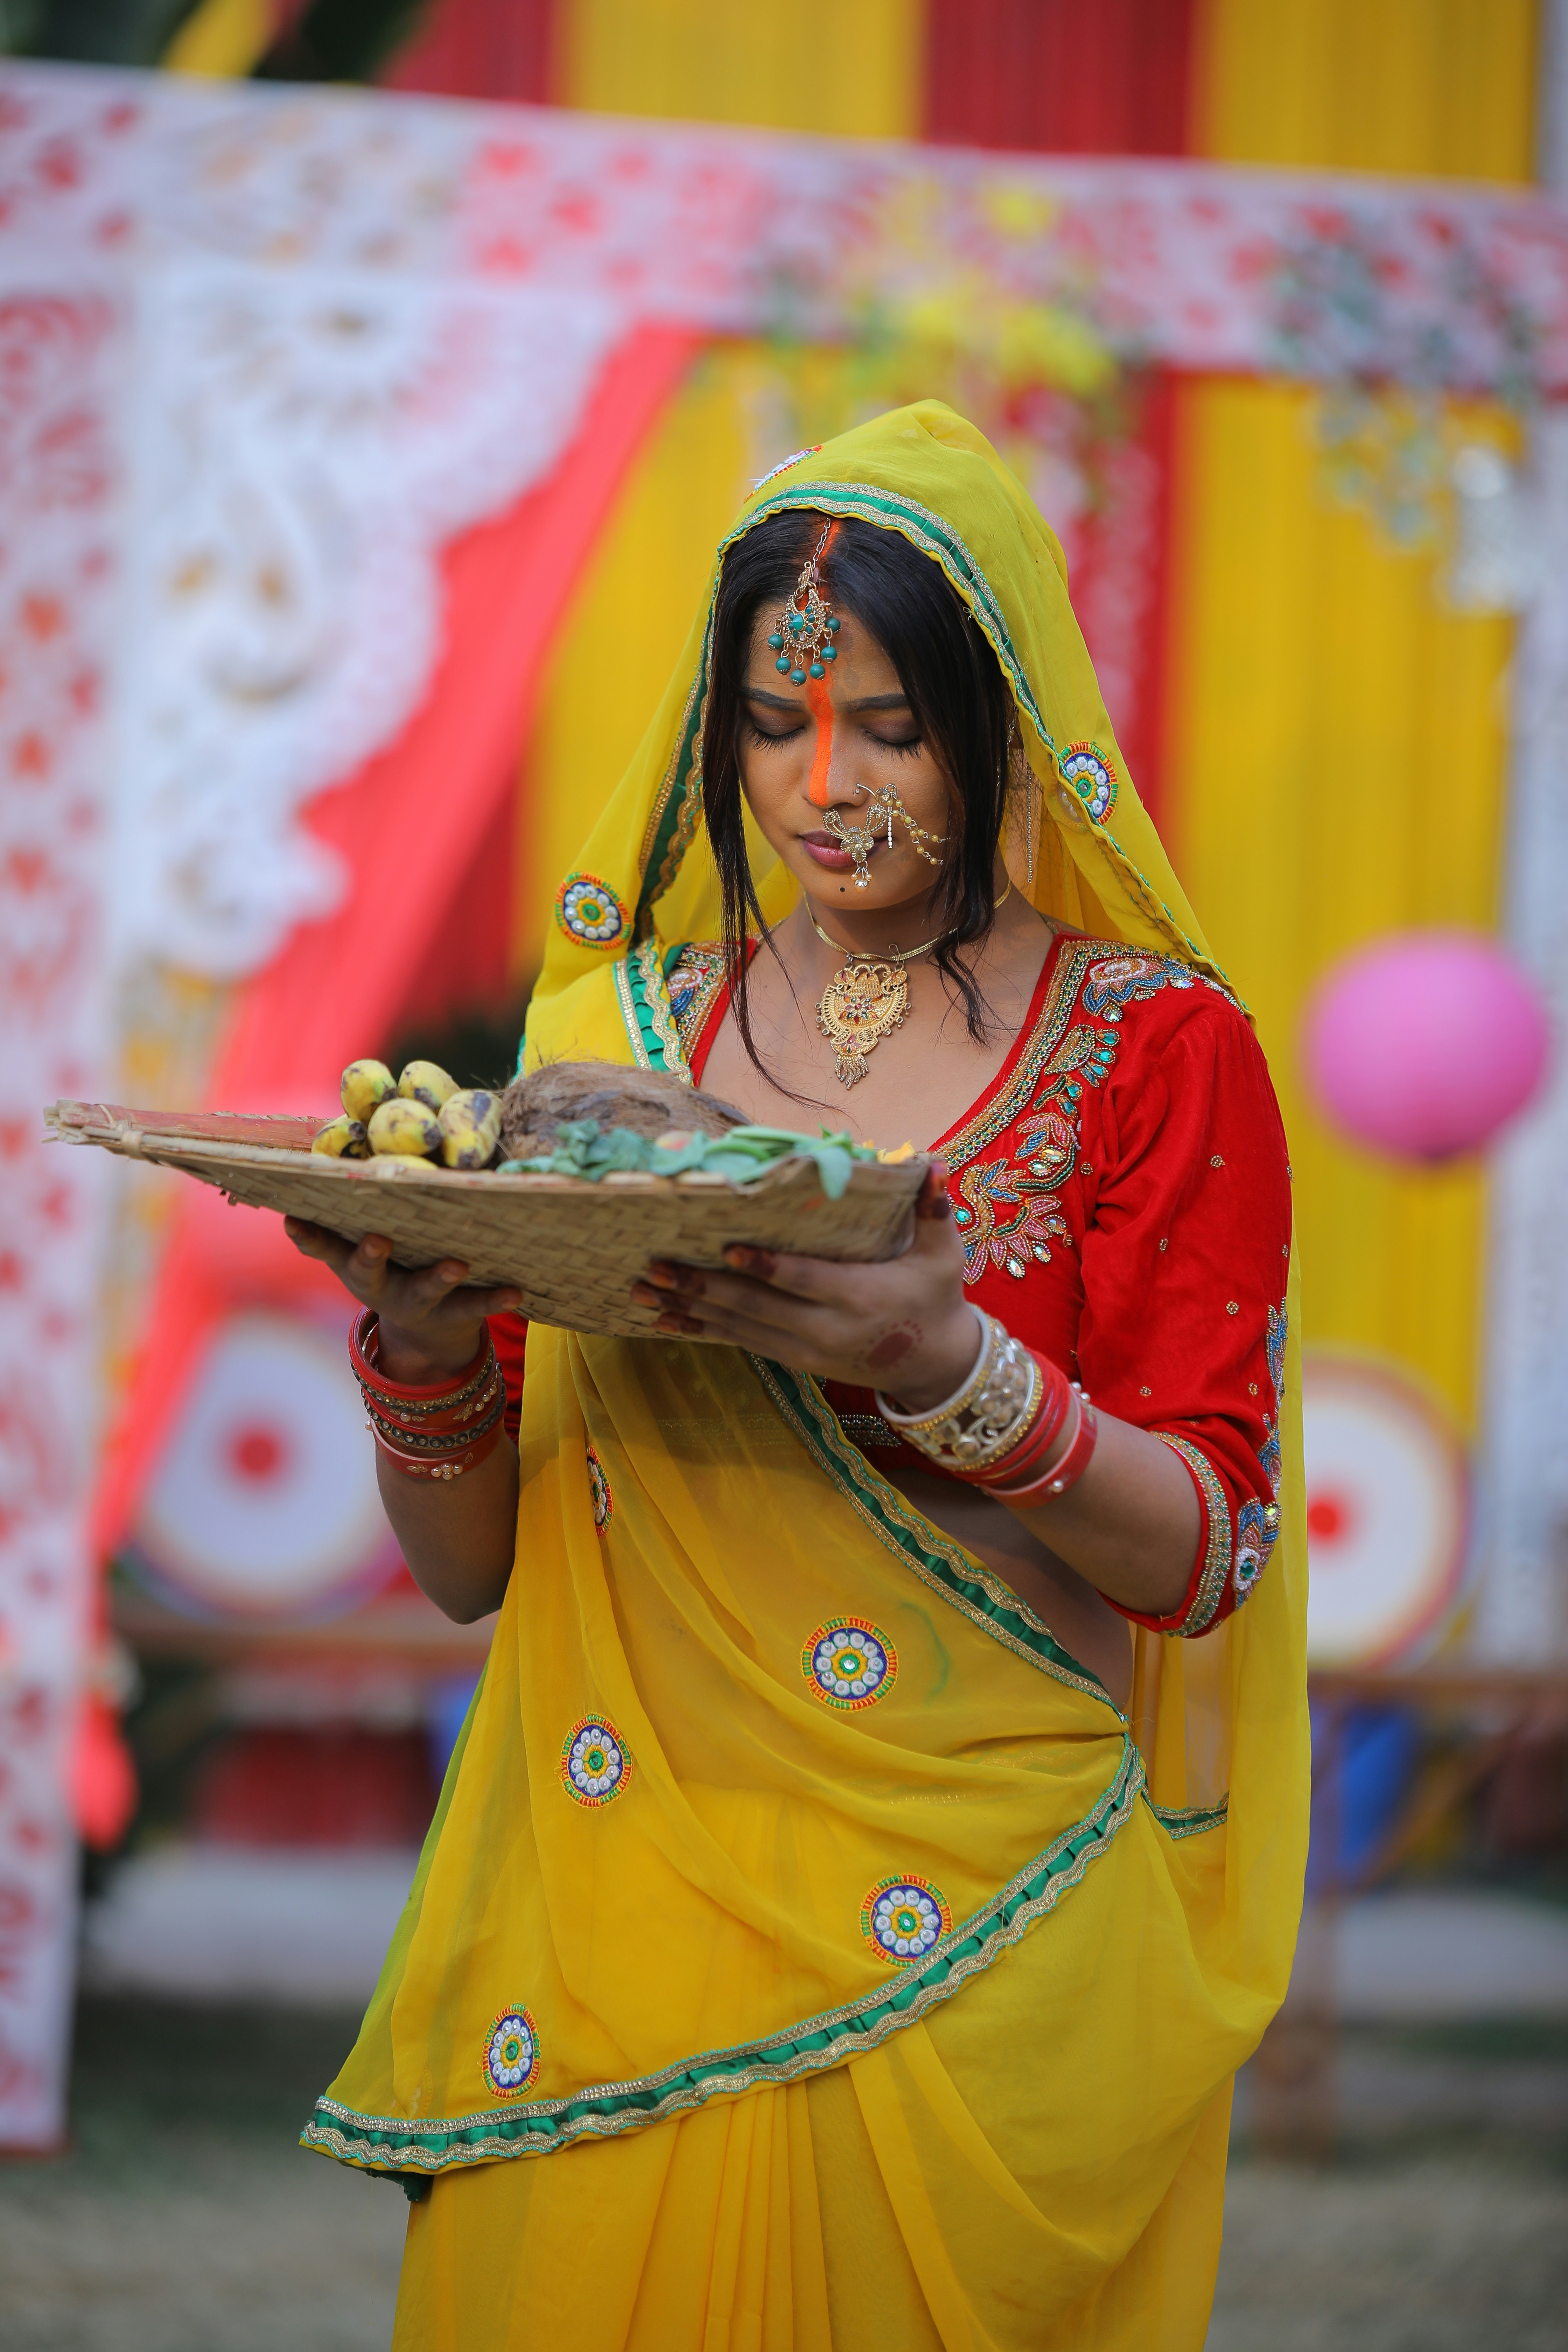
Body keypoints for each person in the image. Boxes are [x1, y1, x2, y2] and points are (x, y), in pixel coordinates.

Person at [287, 403, 1308, 2351]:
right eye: (774, 725)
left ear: (1002, 715)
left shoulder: (1161, 1047)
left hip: (973, 1928)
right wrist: (419, 1342)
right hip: (609, 1928)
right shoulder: (600, 1047)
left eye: (894, 728)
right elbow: (475, 1569)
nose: (825, 786)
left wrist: (951, 1370)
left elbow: (1209, 1557)